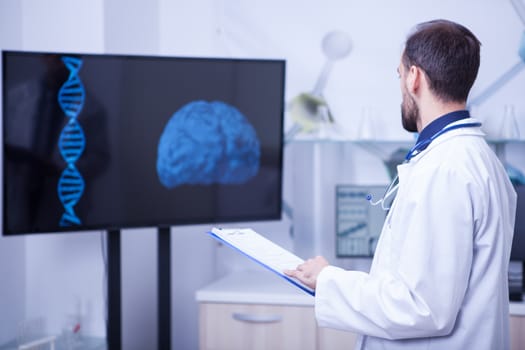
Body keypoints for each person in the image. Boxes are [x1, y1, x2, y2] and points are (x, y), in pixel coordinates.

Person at [285, 19, 517, 349]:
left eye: (399, 74)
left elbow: (422, 308)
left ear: (414, 77)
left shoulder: (445, 169)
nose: (400, 86)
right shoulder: (478, 158)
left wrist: (329, 280)